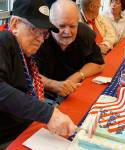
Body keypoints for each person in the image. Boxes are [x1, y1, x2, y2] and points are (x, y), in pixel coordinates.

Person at [0, 0, 76, 148]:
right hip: (9, 138)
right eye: (35, 30)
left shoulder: (24, 51)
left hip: (27, 127)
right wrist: (48, 114)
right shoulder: (4, 40)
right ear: (15, 24)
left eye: (44, 33)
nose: (41, 39)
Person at [36, 0, 105, 98]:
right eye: (62, 26)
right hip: (44, 95)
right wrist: (53, 85)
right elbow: (27, 73)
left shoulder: (85, 34)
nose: (68, 32)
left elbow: (99, 64)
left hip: (75, 92)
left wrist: (77, 76)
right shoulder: (37, 38)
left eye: (72, 26)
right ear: (50, 23)